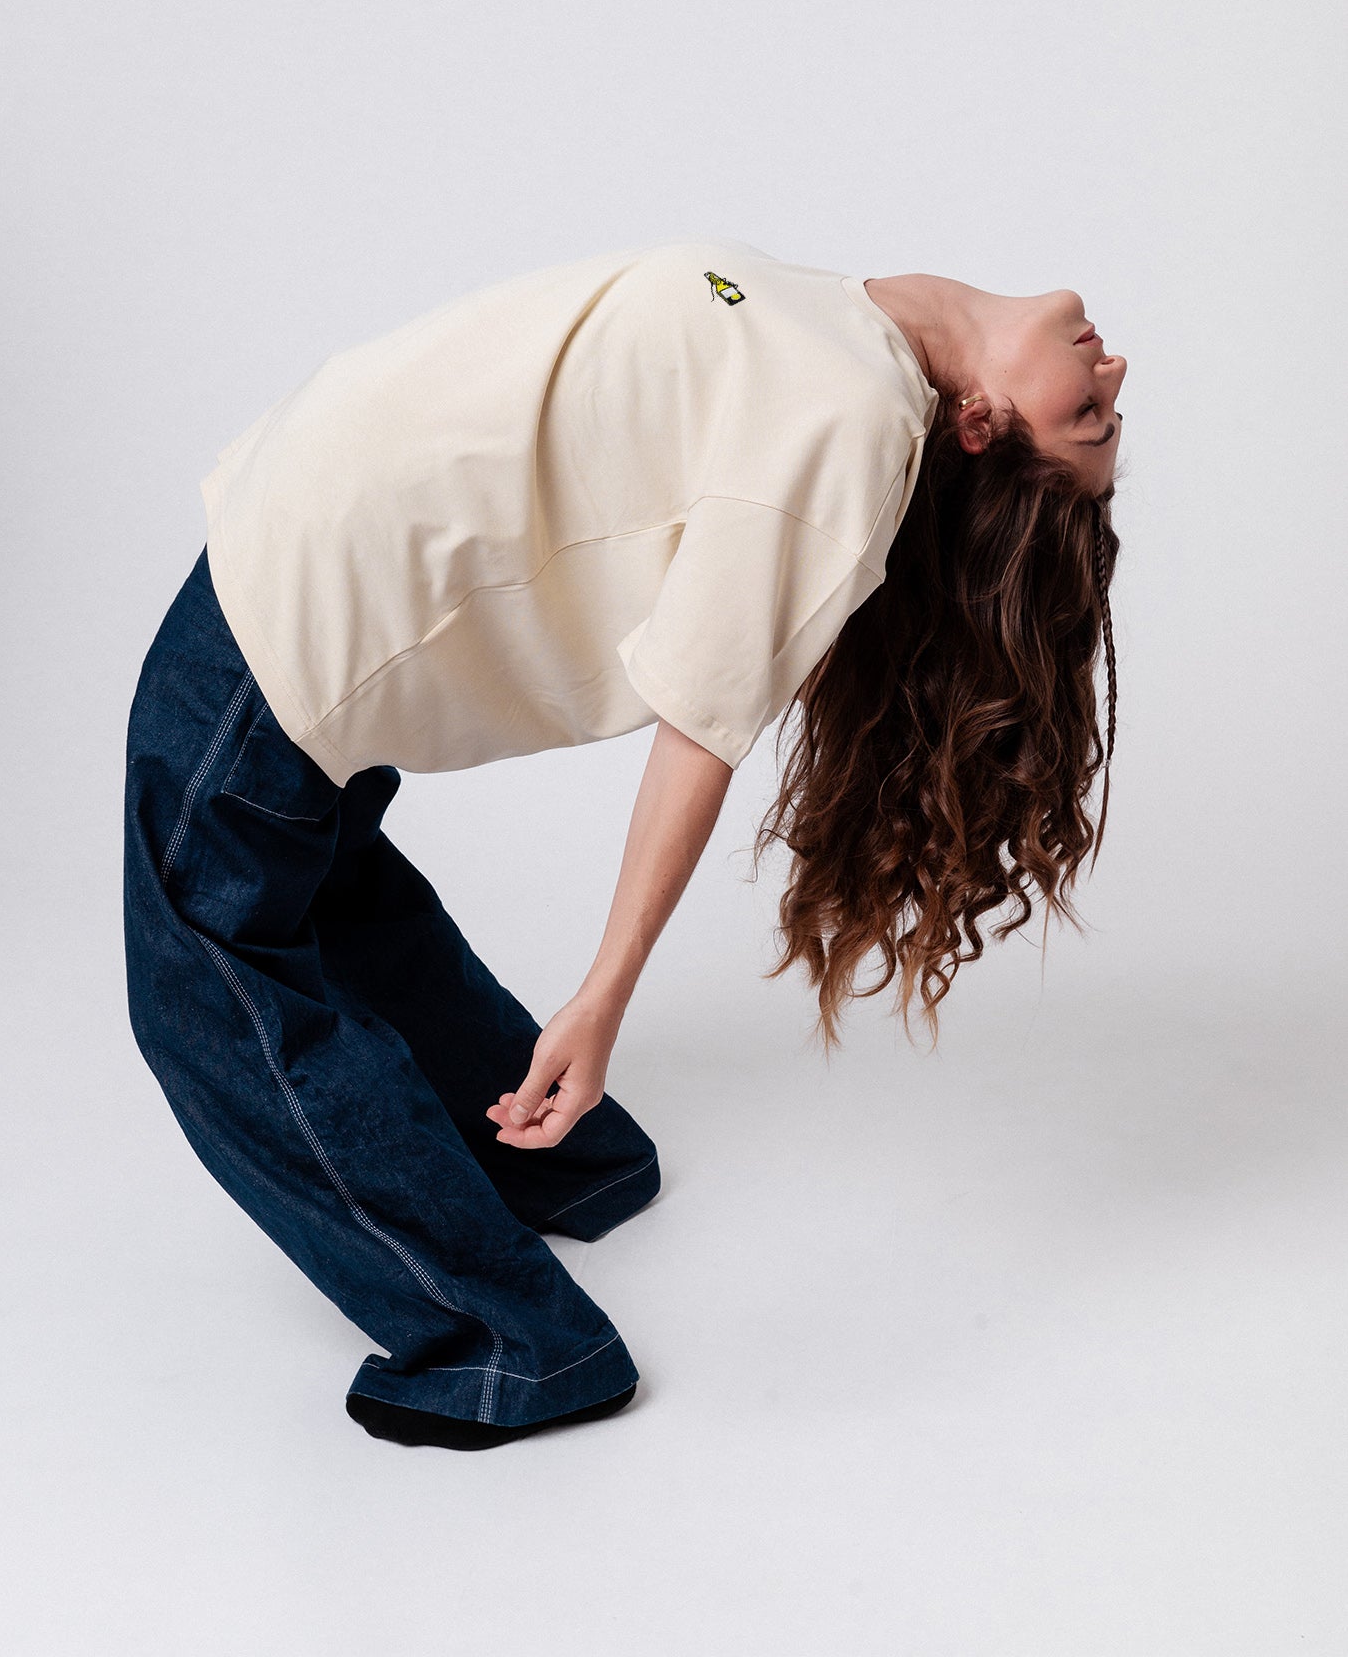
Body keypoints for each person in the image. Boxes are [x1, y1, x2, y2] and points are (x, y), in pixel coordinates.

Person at [122, 237, 1125, 1451]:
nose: (1111, 372)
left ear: (980, 424)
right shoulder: (864, 334)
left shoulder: (854, 415)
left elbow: (705, 715)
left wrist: (602, 992)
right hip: (332, 553)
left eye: (1087, 417)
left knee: (202, 973)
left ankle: (506, 1343)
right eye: (1102, 410)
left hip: (307, 598)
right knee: (322, 889)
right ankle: (559, 1161)